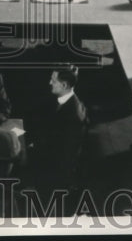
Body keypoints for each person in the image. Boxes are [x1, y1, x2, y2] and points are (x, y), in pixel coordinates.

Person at [28, 65, 87, 196]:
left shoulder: (74, 115)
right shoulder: (62, 100)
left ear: (64, 85)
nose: (50, 83)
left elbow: (65, 154)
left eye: (53, 81)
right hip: (51, 162)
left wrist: (35, 145)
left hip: (56, 177)